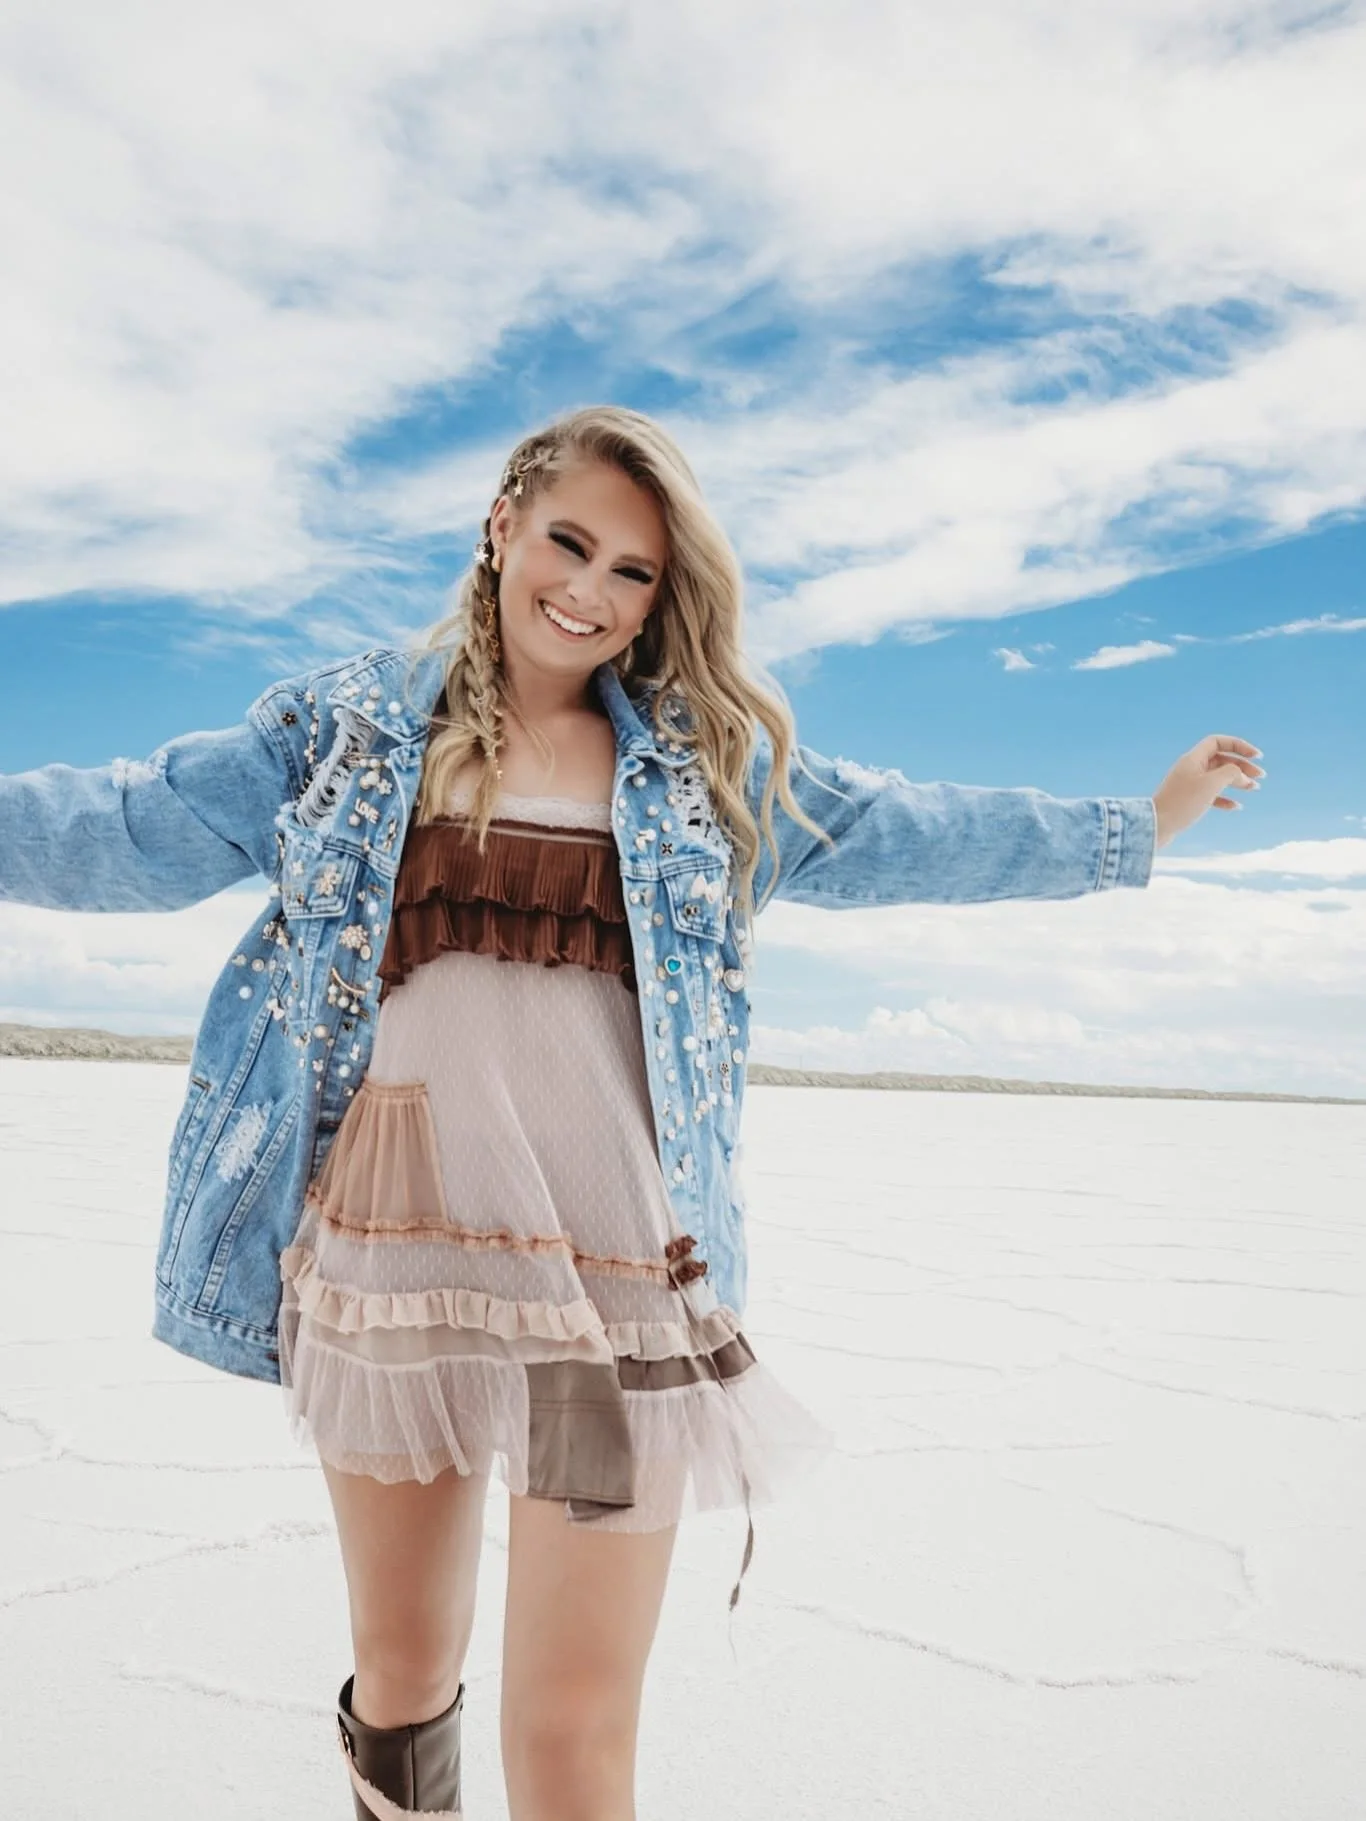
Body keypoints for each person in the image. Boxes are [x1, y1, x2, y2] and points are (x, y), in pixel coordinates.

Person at [0, 404, 1262, 1821]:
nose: (588, 593)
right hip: (394, 1263)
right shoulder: (341, 731)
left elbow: (906, 828)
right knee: (403, 1671)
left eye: (633, 573)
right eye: (568, 544)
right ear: (501, 526)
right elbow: (121, 822)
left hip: (596, 1290)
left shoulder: (699, 767)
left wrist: (1131, 829)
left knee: (574, 1725)